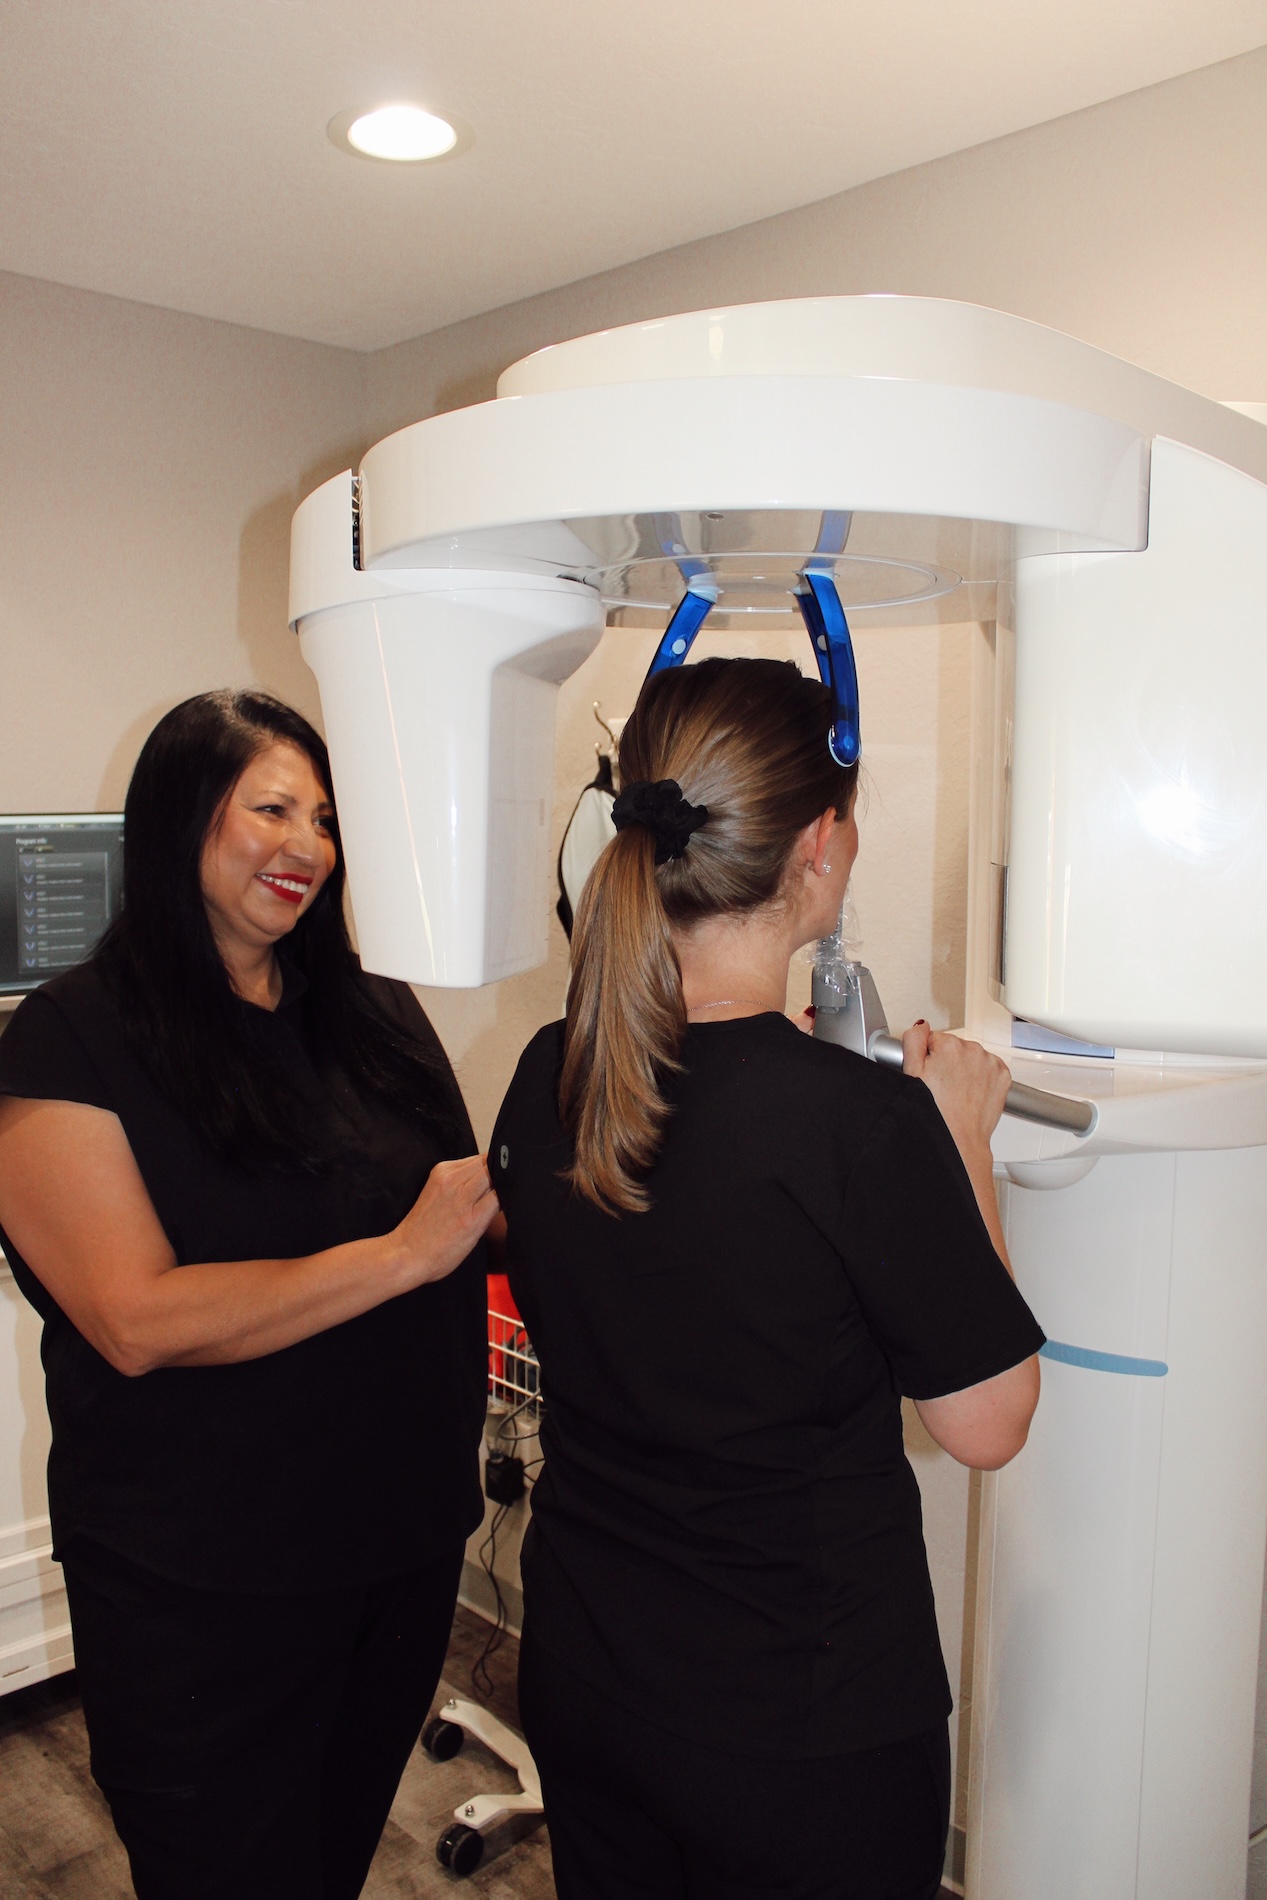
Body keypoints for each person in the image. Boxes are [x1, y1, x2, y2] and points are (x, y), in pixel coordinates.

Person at [490, 657, 1044, 1900]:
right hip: (800, 1726)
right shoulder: (860, 1127)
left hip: (590, 1679)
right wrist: (959, 1135)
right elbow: (988, 1419)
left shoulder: (547, 1070)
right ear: (822, 845)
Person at [0, 691, 499, 1900]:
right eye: (272, 807)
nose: (307, 847)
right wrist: (400, 1255)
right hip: (204, 1593)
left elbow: (469, 1215)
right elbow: (133, 1318)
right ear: (181, 820)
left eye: (324, 819)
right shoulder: (65, 1042)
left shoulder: (374, 1015)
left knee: (329, 1858)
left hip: (396, 1548)